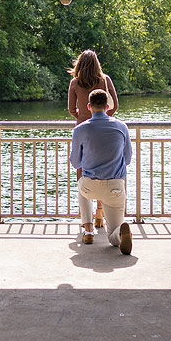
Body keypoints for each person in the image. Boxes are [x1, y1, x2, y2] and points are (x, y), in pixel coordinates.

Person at [69, 89, 133, 254]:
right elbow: (127, 159)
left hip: (91, 184)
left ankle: (88, 230)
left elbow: (75, 163)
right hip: (115, 186)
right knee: (112, 234)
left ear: (89, 106)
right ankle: (120, 234)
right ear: (107, 106)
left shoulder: (80, 130)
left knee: (81, 188)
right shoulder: (121, 126)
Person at [67, 50, 118, 227]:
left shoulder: (75, 82)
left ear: (79, 64)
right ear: (97, 64)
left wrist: (82, 116)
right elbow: (115, 106)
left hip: (82, 129)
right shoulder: (105, 80)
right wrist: (103, 116)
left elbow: (71, 110)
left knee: (81, 169)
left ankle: (85, 219)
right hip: (103, 129)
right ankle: (99, 214)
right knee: (102, 168)